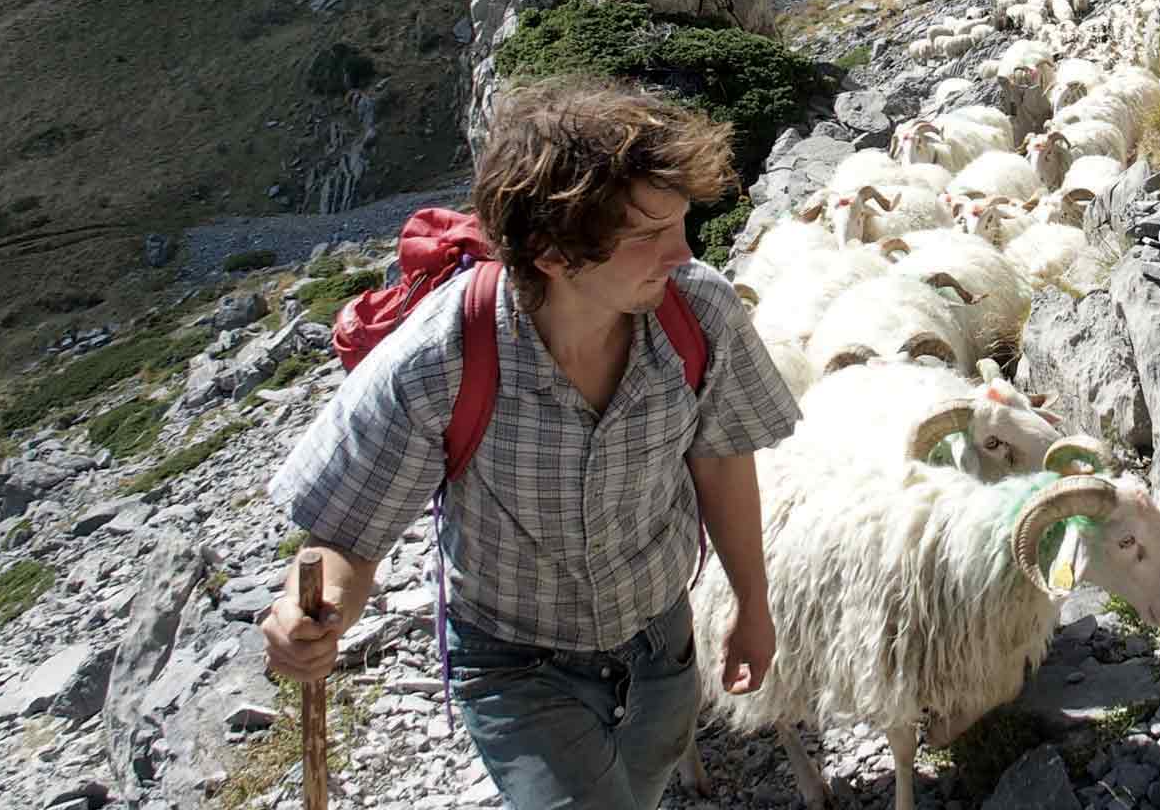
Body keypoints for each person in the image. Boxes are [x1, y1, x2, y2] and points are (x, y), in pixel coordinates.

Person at [259, 75, 803, 810]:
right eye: (648, 236)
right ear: (552, 253)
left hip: (661, 650)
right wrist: (309, 620)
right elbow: (347, 542)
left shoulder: (697, 315)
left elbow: (720, 459)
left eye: (679, 224)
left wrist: (752, 601)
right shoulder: (441, 357)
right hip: (515, 666)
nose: (682, 253)